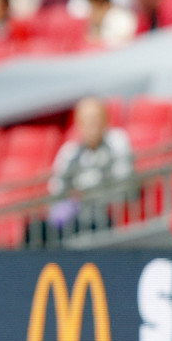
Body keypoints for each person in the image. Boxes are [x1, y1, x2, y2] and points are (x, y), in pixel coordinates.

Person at [47, 96, 134, 236]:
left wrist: (89, 194)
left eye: (95, 119)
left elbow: (123, 180)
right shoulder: (70, 151)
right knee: (35, 228)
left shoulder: (117, 141)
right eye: (86, 121)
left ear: (105, 120)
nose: (91, 126)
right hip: (77, 214)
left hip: (105, 212)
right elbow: (57, 186)